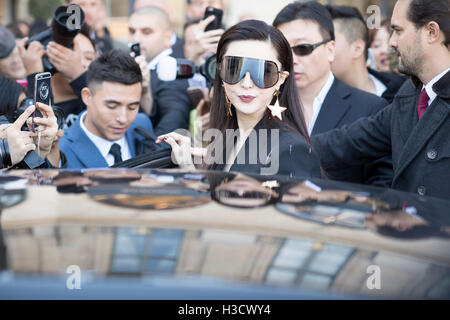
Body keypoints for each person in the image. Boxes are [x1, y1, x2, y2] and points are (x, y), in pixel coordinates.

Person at [312, 0, 450, 199]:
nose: (392, 42)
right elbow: (348, 141)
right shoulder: (409, 95)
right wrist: (284, 149)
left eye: (398, 30)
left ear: (431, 32)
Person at [156, 20, 322, 179]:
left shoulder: (292, 150)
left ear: (281, 79)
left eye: (263, 72)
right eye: (234, 68)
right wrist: (188, 168)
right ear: (220, 73)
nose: (247, 83)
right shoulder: (224, 139)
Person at [273, 1, 392, 186]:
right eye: (283, 51)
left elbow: (383, 186)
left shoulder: (371, 108)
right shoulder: (262, 104)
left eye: (303, 48)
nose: (292, 60)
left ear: (330, 50)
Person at [58, 49, 159, 169]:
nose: (123, 118)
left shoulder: (142, 124)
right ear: (87, 97)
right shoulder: (61, 151)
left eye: (132, 107)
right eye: (112, 106)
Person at [128, 6, 192, 136]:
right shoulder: (128, 63)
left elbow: (169, 136)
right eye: (132, 31)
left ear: (167, 37)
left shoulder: (175, 73)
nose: (136, 39)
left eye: (146, 32)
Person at [326, 5, 406, 103]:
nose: (321, 51)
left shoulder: (405, 90)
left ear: (357, 48)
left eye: (329, 43)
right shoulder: (321, 105)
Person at [19, 25, 96, 124]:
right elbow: (40, 132)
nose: (79, 63)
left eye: (89, 58)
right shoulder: (20, 98)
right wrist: (37, 78)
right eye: (69, 56)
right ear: (46, 60)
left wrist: (79, 76)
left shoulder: (93, 103)